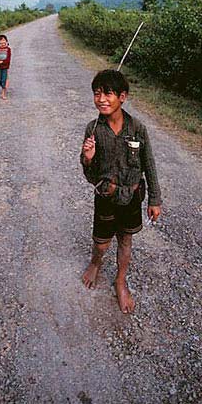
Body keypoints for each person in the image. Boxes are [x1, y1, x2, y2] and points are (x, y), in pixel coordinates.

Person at [79, 69, 161, 314]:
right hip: (105, 196)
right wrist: (87, 158)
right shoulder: (93, 129)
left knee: (126, 239)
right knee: (102, 243)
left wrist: (155, 199)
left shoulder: (138, 128)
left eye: (108, 94)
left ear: (122, 97)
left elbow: (149, 165)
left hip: (132, 197)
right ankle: (96, 262)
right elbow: (89, 176)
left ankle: (120, 280)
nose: (101, 99)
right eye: (97, 94)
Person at [0, 34, 12, 100]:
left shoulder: (8, 49)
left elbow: (8, 59)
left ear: (6, 42)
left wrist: (2, 62)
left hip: (5, 67)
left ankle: (3, 93)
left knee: (3, 79)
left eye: (4, 42)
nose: (3, 44)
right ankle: (4, 86)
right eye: (1, 43)